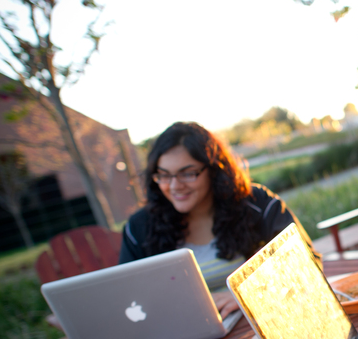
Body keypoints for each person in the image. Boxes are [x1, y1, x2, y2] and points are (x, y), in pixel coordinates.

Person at [120, 122, 320, 318]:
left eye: (187, 173)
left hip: (263, 319)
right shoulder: (139, 228)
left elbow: (307, 263)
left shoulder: (257, 204)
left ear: (214, 170)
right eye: (164, 176)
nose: (174, 186)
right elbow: (128, 300)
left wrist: (247, 295)